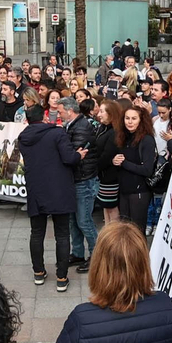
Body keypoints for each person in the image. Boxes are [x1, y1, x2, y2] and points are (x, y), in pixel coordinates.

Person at [17, 105, 78, 291]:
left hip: (36, 188)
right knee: (62, 233)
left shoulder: (23, 137)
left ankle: (38, 273)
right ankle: (61, 277)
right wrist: (79, 155)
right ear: (44, 116)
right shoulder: (57, 134)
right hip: (59, 187)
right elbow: (69, 158)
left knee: (37, 233)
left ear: (27, 119)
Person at [62, 97, 101, 272]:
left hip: (84, 180)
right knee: (73, 221)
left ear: (70, 111)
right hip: (75, 179)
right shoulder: (73, 124)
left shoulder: (82, 127)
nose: (59, 113)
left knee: (84, 221)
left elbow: (73, 154)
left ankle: (97, 256)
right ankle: (78, 253)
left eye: (61, 111)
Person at [112, 105, 157, 225]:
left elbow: (147, 170)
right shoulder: (124, 137)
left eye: (134, 118)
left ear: (141, 120)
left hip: (139, 192)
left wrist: (124, 163)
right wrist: (115, 161)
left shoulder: (147, 140)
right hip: (124, 189)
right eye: (127, 118)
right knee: (124, 229)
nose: (130, 122)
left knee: (136, 229)